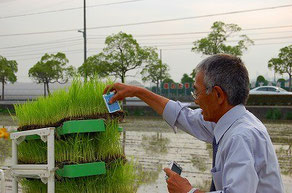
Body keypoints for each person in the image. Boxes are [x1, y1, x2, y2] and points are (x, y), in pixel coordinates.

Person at [103, 54, 284, 193]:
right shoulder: (227, 121)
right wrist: (138, 92)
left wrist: (188, 191)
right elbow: (183, 115)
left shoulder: (241, 137)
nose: (196, 101)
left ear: (218, 95)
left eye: (196, 93)